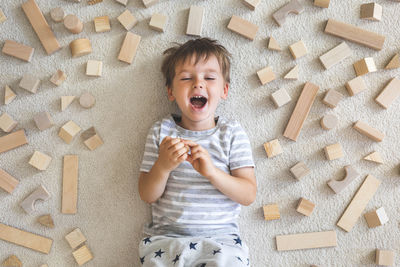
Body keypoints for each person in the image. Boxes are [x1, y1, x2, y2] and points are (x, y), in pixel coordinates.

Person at [138, 37, 256, 267]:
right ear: (171, 91)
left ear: (224, 90)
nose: (198, 84)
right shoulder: (162, 132)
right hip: (167, 240)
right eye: (186, 78)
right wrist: (163, 166)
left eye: (209, 78)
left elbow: (248, 194)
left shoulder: (231, 133)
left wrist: (212, 172)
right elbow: (146, 194)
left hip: (222, 242)